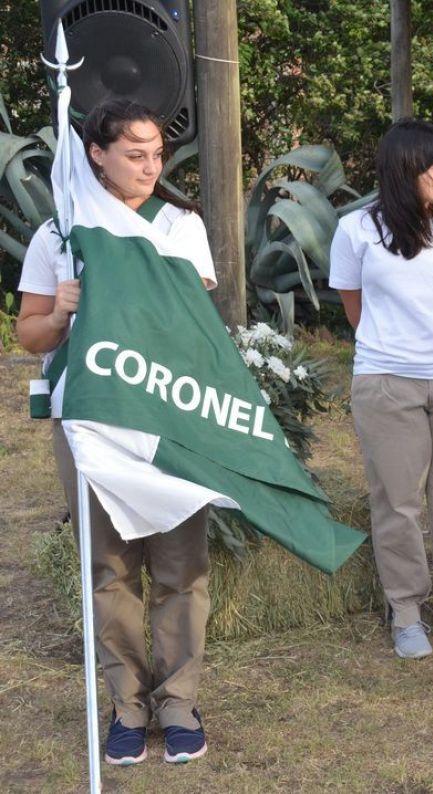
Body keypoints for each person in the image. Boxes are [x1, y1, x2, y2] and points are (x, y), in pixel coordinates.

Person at [16, 99, 214, 765]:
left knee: (183, 563)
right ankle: (127, 705)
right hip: (91, 423)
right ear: (96, 154)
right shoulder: (60, 235)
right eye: (135, 154)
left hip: (169, 415)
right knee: (110, 566)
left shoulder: (182, 225)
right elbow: (29, 333)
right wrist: (65, 313)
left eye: (157, 153)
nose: (150, 166)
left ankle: (180, 700)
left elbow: (196, 326)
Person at [330, 119, 433, 661]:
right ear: (403, 169)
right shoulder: (357, 231)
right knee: (397, 501)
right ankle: (405, 611)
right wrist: (398, 350)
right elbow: (355, 309)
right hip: (387, 383)